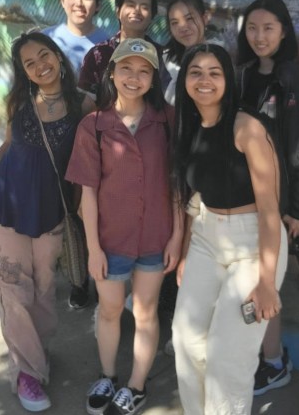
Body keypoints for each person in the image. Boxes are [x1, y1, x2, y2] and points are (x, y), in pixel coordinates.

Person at [0, 31, 93, 412]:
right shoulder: (21, 102)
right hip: (6, 207)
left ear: (58, 56)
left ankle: (35, 354)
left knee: (43, 289)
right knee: (14, 290)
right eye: (30, 63)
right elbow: (10, 145)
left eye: (45, 55)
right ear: (24, 72)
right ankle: (26, 372)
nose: (40, 65)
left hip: (50, 211)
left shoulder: (86, 106)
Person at [67, 39, 182, 415]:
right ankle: (107, 375)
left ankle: (136, 386)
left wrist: (178, 236)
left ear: (154, 77)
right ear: (112, 73)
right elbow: (88, 192)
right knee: (111, 308)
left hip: (155, 236)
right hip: (110, 239)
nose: (134, 77)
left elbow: (179, 183)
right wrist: (93, 249)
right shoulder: (94, 125)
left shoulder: (167, 120)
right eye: (126, 69)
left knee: (146, 312)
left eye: (144, 70)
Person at [171, 43, 288, 415]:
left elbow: (270, 210)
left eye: (214, 72)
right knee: (186, 341)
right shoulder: (189, 125)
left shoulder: (246, 127)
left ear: (227, 80)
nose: (204, 80)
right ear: (185, 80)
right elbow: (196, 197)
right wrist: (188, 252)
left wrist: (267, 281)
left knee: (226, 358)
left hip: (253, 244)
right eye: (196, 72)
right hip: (207, 238)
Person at [236, 0, 299, 395]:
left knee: (264, 283)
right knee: (250, 281)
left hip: (279, 203)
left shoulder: (288, 76)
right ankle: (262, 357)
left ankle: (274, 363)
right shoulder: (243, 73)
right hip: (244, 199)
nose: (259, 36)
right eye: (252, 28)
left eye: (268, 28)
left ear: (284, 31)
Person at [44, 0, 107, 311]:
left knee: (85, 210)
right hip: (53, 140)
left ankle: (90, 280)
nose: (79, 2)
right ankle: (75, 279)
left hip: (92, 142)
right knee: (60, 212)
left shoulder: (107, 43)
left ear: (97, 4)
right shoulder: (45, 41)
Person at [78, 0, 170, 99]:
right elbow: (85, 99)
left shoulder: (161, 55)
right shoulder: (98, 54)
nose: (137, 11)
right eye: (130, 5)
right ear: (117, 11)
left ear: (152, 16)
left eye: (144, 7)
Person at [43, 0, 108, 75]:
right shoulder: (45, 39)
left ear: (98, 5)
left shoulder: (107, 45)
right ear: (62, 1)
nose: (79, 3)